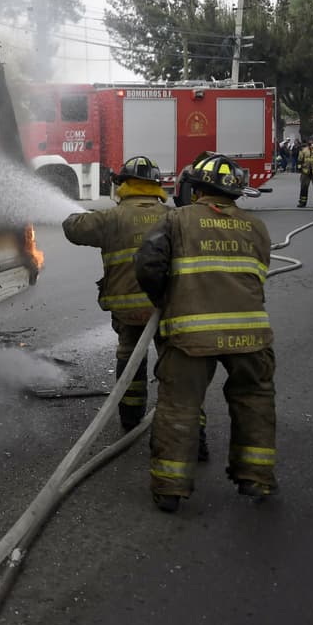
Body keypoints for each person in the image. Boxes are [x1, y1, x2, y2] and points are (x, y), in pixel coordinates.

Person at [134, 153, 277, 513]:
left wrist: (164, 298)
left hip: (190, 335)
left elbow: (149, 264)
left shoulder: (176, 220)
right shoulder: (256, 227)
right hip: (251, 335)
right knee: (254, 399)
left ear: (194, 189)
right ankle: (255, 478)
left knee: (179, 405)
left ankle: (169, 488)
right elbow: (258, 275)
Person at [62, 156, 181, 437]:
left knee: (130, 359)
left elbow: (73, 229)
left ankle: (130, 419)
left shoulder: (110, 218)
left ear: (123, 186)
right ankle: (186, 427)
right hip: (169, 307)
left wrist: (71, 214)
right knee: (176, 364)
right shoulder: (174, 217)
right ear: (155, 186)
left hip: (129, 311)